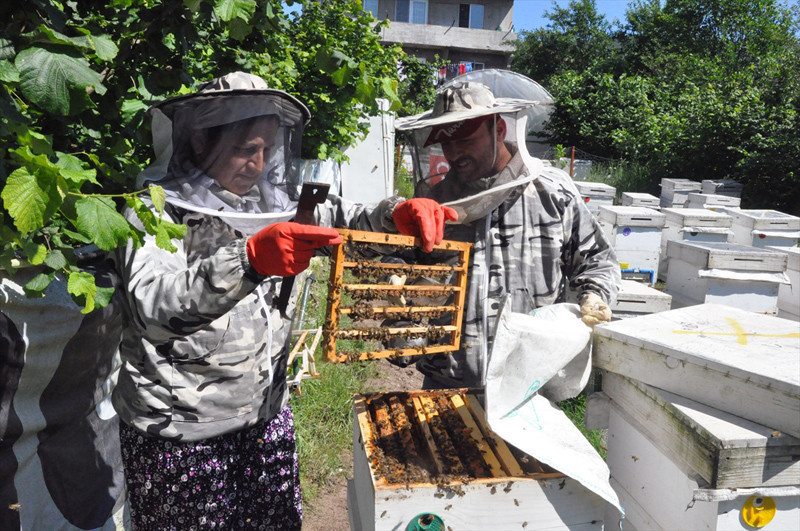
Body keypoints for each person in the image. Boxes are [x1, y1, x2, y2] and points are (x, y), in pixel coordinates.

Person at [112, 72, 452, 529]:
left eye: (267, 149)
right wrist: (249, 259)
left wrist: (397, 213)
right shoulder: (153, 210)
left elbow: (352, 221)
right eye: (244, 148)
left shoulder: (280, 201)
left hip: (266, 416)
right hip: (179, 435)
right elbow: (153, 307)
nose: (257, 163)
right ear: (198, 141)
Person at [394, 81, 621, 389]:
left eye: (464, 138)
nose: (453, 152)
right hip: (447, 383)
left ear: (499, 129)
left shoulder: (552, 193)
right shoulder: (436, 203)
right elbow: (402, 272)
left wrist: (595, 295)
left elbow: (597, 259)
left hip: (529, 388)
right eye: (446, 142)